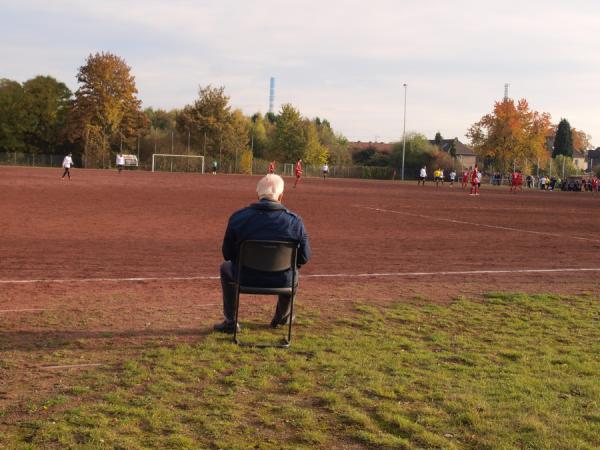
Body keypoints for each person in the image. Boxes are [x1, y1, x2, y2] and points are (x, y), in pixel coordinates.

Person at [214, 174, 311, 333]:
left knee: (226, 268)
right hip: (282, 279)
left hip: (245, 277)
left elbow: (227, 254)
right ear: (281, 196)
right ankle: (282, 319)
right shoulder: (295, 222)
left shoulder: (238, 218)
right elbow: (305, 257)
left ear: (258, 195)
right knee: (294, 273)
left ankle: (231, 321)